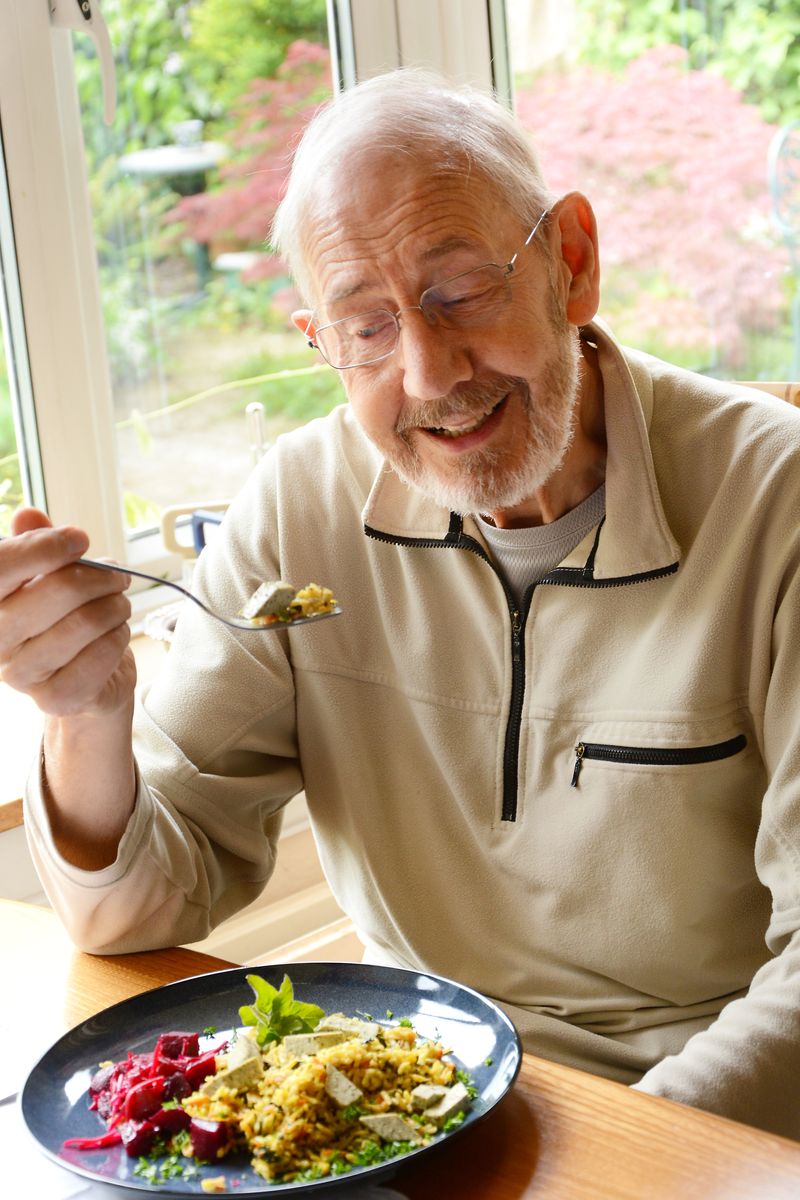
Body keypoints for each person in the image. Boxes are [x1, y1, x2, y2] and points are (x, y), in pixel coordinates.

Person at [3, 69, 800, 1141]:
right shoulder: (299, 505)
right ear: (315, 337)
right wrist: (86, 714)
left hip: (709, 1125)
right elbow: (135, 910)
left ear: (570, 261)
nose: (427, 374)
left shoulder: (775, 500)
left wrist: (615, 1163)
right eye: (365, 326)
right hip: (415, 1105)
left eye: (459, 293)